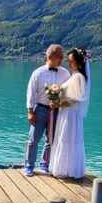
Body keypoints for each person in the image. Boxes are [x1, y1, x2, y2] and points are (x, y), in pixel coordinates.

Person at [24, 43, 70, 176]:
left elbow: (67, 92)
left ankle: (45, 164)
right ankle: (29, 165)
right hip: (40, 110)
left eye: (62, 57)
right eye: (59, 57)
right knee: (33, 139)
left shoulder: (65, 73)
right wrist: (30, 112)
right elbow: (30, 93)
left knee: (51, 140)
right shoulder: (38, 73)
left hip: (56, 111)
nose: (62, 60)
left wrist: (60, 102)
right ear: (50, 57)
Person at [48, 48, 91, 179]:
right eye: (69, 61)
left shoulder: (78, 77)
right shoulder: (75, 75)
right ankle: (67, 168)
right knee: (67, 139)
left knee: (67, 139)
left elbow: (75, 99)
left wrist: (58, 104)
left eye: (71, 61)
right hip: (67, 113)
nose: (69, 64)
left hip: (70, 115)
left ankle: (67, 169)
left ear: (79, 63)